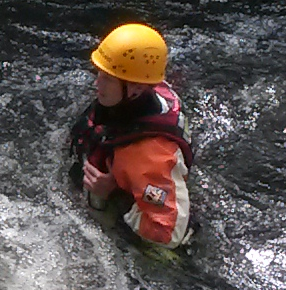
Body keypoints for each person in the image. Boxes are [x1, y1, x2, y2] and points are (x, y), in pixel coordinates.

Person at [71, 21, 195, 251]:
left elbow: (168, 234)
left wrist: (114, 194)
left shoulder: (151, 156)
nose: (97, 83)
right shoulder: (134, 97)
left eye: (108, 78)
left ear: (137, 87)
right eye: (100, 73)